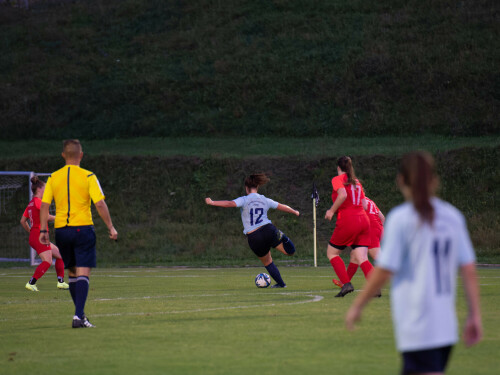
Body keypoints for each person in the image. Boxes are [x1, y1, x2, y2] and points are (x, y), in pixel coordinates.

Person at [345, 151, 482, 375]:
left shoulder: (402, 219)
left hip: (417, 325)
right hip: (447, 328)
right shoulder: (453, 217)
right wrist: (474, 315)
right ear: (434, 181)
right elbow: (468, 270)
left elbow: (385, 269)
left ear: (401, 181)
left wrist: (358, 305)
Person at [39, 139, 118, 328]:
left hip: (62, 231)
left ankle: (80, 316)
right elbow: (99, 203)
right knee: (83, 272)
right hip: (82, 228)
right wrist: (111, 227)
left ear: (63, 156)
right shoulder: (88, 176)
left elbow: (44, 205)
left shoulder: (53, 178)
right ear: (81, 155)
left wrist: (43, 229)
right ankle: (78, 316)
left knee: (72, 273)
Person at [205, 173, 299, 288]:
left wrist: (212, 202)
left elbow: (230, 203)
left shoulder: (244, 200)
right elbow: (281, 206)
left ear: (246, 188)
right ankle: (284, 237)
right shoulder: (264, 199)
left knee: (268, 262)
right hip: (268, 229)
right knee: (290, 252)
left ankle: (281, 284)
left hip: (254, 236)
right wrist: (294, 211)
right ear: (257, 187)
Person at [325, 156, 374, 297]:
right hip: (364, 220)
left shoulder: (337, 179)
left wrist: (331, 211)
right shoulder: (356, 182)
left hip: (348, 219)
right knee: (361, 256)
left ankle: (346, 284)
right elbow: (364, 205)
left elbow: (342, 194)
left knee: (332, 253)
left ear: (338, 167)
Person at [20, 176, 69, 292]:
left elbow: (22, 221)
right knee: (47, 261)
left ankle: (60, 282)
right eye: (46, 188)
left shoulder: (31, 203)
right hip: (39, 235)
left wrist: (31, 232)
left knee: (60, 255)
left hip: (36, 235)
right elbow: (46, 217)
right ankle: (31, 283)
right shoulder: (38, 202)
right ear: (40, 190)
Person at [332, 196, 384, 289]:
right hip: (377, 228)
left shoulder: (355, 201)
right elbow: (382, 217)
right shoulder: (369, 200)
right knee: (355, 255)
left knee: (380, 259)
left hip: (370, 229)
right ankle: (344, 282)